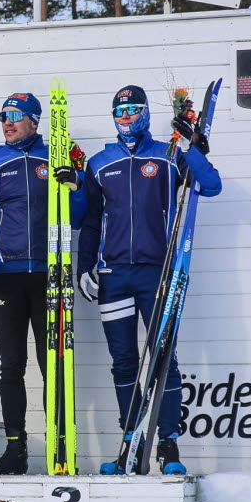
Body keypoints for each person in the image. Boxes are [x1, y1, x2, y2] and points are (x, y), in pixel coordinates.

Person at [77, 84, 221, 475]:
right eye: (119, 110)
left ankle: (169, 444)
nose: (125, 116)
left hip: (158, 273)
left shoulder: (169, 154)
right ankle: (130, 436)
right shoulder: (99, 162)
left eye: (133, 109)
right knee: (123, 362)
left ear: (145, 113)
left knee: (163, 360)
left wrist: (191, 147)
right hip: (113, 275)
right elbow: (88, 221)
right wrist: (83, 266)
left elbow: (211, 186)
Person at [0, 93, 86, 474]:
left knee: (53, 362)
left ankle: (59, 445)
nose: (7, 122)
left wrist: (76, 184)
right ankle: (15, 449)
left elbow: (80, 216)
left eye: (15, 116)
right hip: (7, 275)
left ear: (35, 120)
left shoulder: (55, 157)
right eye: (2, 116)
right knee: (11, 365)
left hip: (51, 273)